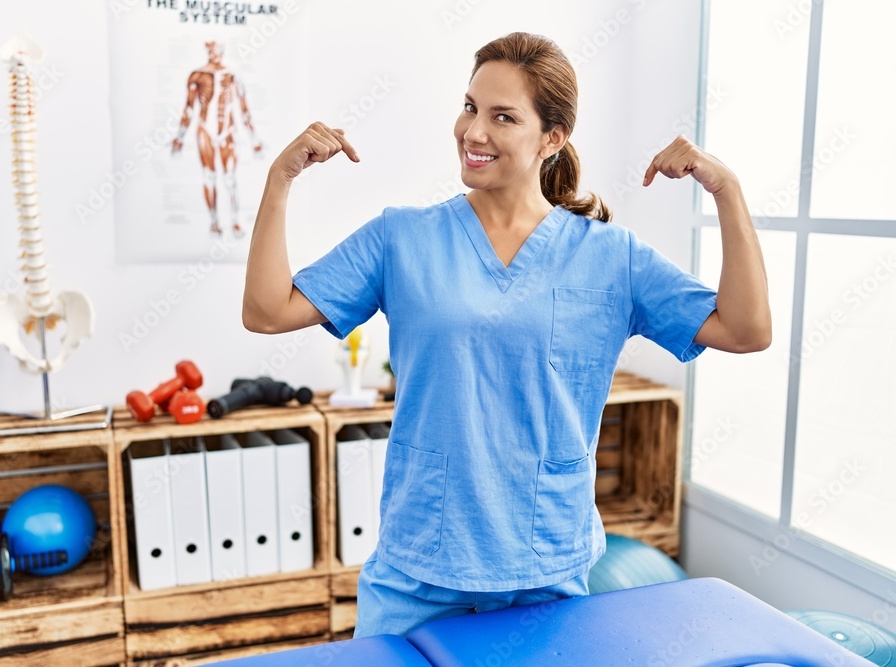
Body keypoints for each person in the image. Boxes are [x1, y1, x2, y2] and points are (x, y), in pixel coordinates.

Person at [242, 32, 771, 637]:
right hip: (420, 567)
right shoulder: (401, 239)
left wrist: (726, 191)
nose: (474, 131)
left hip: (544, 569)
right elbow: (267, 312)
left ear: (553, 137)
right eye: (470, 107)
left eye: (502, 117)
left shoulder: (611, 257)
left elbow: (746, 328)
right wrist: (280, 179)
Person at [172, 41, 262, 237]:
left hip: (227, 131)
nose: (215, 53)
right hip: (205, 130)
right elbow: (189, 107)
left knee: (230, 178)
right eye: (212, 50)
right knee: (209, 177)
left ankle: (235, 222)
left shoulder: (232, 75)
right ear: (207, 51)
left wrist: (254, 139)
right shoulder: (197, 75)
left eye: (218, 49)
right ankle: (214, 221)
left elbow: (243, 108)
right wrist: (180, 137)